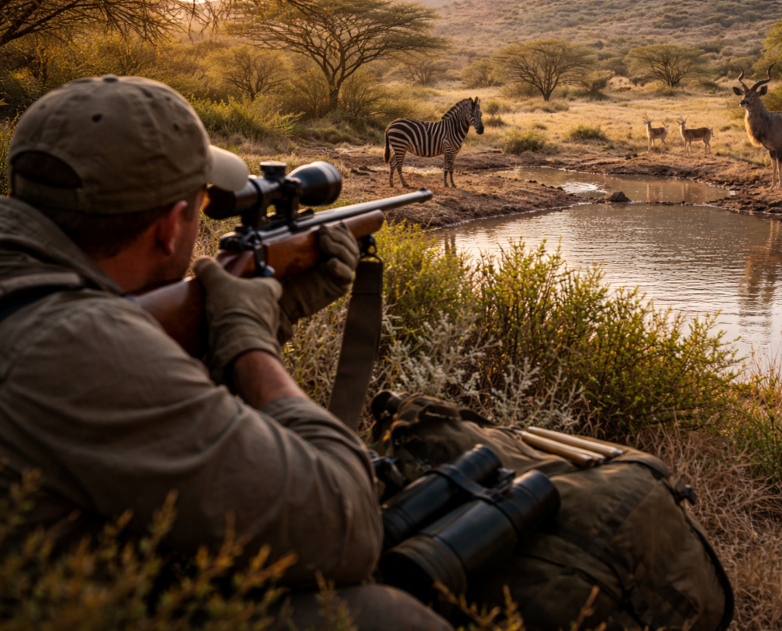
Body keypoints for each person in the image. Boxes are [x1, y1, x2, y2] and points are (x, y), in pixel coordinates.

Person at [0, 75, 451, 630]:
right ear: (170, 228)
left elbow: (140, 410)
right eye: (198, 202)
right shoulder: (77, 347)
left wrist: (273, 315)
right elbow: (346, 527)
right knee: (381, 616)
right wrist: (252, 345)